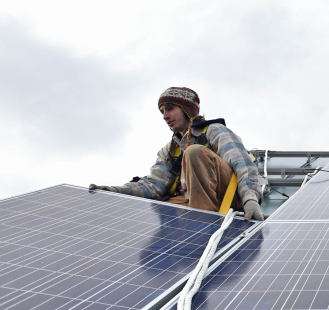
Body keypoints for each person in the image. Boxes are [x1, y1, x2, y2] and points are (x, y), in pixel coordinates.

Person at [89, 87, 265, 220]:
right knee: (151, 214)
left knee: (194, 152)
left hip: (228, 197)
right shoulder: (169, 150)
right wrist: (115, 191)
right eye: (162, 111)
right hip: (190, 201)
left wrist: (250, 198)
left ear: (187, 109)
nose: (165, 116)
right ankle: (188, 236)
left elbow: (244, 165)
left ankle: (202, 224)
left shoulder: (215, 131)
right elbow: (154, 186)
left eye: (170, 108)